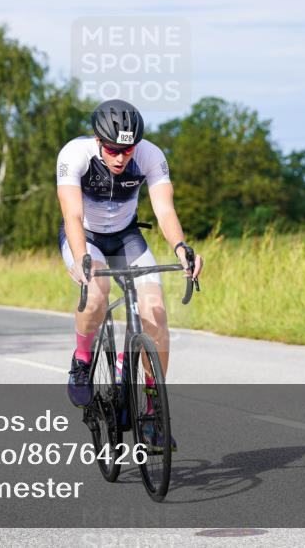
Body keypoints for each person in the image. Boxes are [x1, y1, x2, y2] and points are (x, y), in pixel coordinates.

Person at [56, 99, 204, 450]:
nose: (121, 157)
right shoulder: (74, 155)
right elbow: (72, 216)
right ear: (97, 140)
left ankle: (153, 412)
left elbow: (164, 209)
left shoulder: (151, 156)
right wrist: (82, 260)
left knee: (155, 313)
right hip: (86, 236)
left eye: (128, 150)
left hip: (126, 236)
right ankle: (81, 359)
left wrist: (182, 248)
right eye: (113, 149)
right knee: (98, 290)